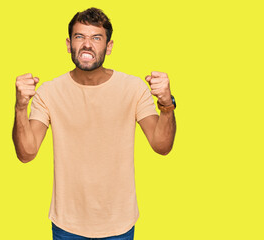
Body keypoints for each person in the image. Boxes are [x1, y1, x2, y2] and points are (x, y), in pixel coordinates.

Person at [12, 7, 176, 240]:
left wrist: (166, 103)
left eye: (96, 38)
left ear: (108, 47)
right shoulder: (49, 92)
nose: (87, 45)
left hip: (119, 225)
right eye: (80, 37)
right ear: (69, 45)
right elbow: (26, 153)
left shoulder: (133, 88)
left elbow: (162, 146)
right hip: (67, 226)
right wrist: (20, 107)